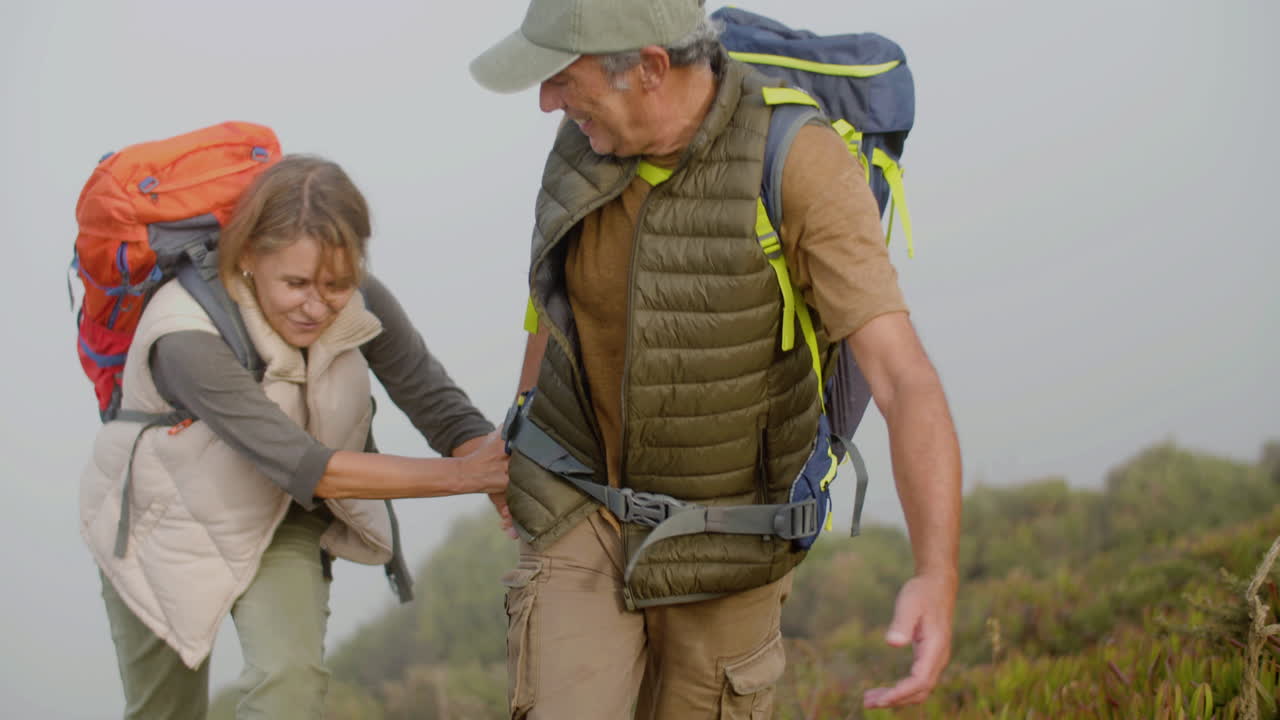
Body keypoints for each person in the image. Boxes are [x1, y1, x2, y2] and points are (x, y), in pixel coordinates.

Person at [469, 0, 962, 717]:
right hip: (581, 508)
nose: (546, 100)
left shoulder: (797, 161)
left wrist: (935, 572)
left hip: (731, 541)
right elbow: (553, 301)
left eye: (562, 77)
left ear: (650, 68)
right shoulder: (585, 140)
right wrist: (517, 424)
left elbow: (902, 375)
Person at [79, 154, 512, 719]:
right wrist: (464, 477)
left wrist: (504, 475)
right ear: (249, 256)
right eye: (296, 283)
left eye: (336, 283)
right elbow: (308, 465)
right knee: (165, 713)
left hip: (280, 512)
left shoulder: (359, 298)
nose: (316, 305)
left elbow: (439, 409)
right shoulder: (183, 333)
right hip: (160, 523)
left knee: (291, 687)